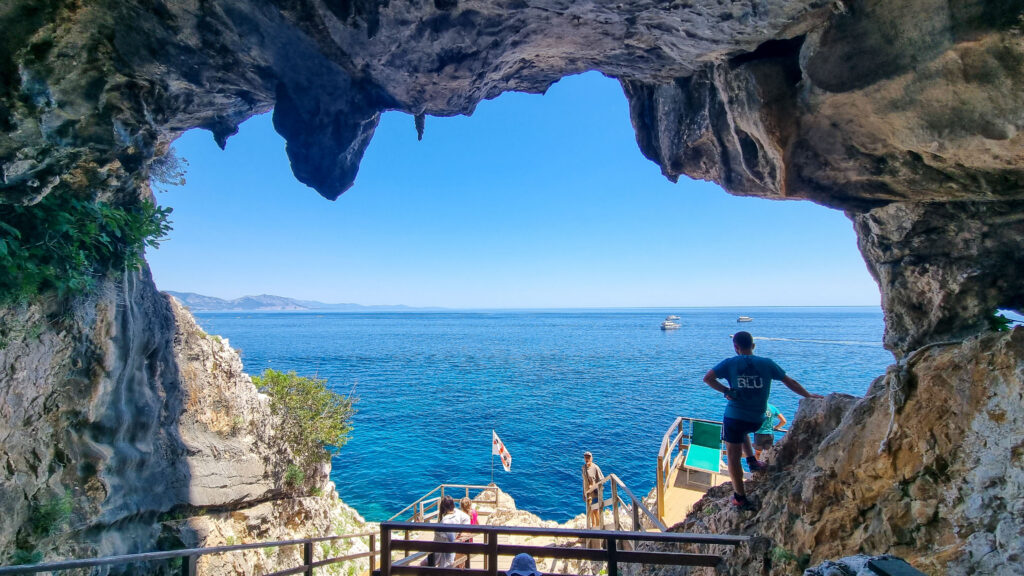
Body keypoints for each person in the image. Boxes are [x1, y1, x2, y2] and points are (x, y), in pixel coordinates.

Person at [703, 331, 822, 510]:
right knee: (742, 431)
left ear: (736, 347)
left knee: (733, 456)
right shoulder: (767, 363)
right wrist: (809, 395)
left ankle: (740, 497)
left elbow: (708, 378)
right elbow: (791, 382)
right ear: (753, 345)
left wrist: (726, 391)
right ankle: (752, 461)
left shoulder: (729, 363)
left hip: (735, 417)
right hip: (757, 419)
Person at [433, 495, 470, 567]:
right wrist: (462, 531)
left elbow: (451, 539)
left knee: (426, 564)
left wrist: (461, 533)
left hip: (441, 550)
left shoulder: (446, 520)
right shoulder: (457, 512)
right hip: (442, 550)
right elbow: (467, 518)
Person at [581, 451, 604, 527]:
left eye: (588, 457)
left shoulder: (595, 468)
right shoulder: (583, 468)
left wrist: (593, 486)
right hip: (587, 493)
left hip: (595, 494)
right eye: (585, 457)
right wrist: (583, 493)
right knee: (590, 510)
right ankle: (593, 526)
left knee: (595, 510)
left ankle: (598, 526)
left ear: (592, 458)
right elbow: (584, 481)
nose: (587, 459)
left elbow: (602, 480)